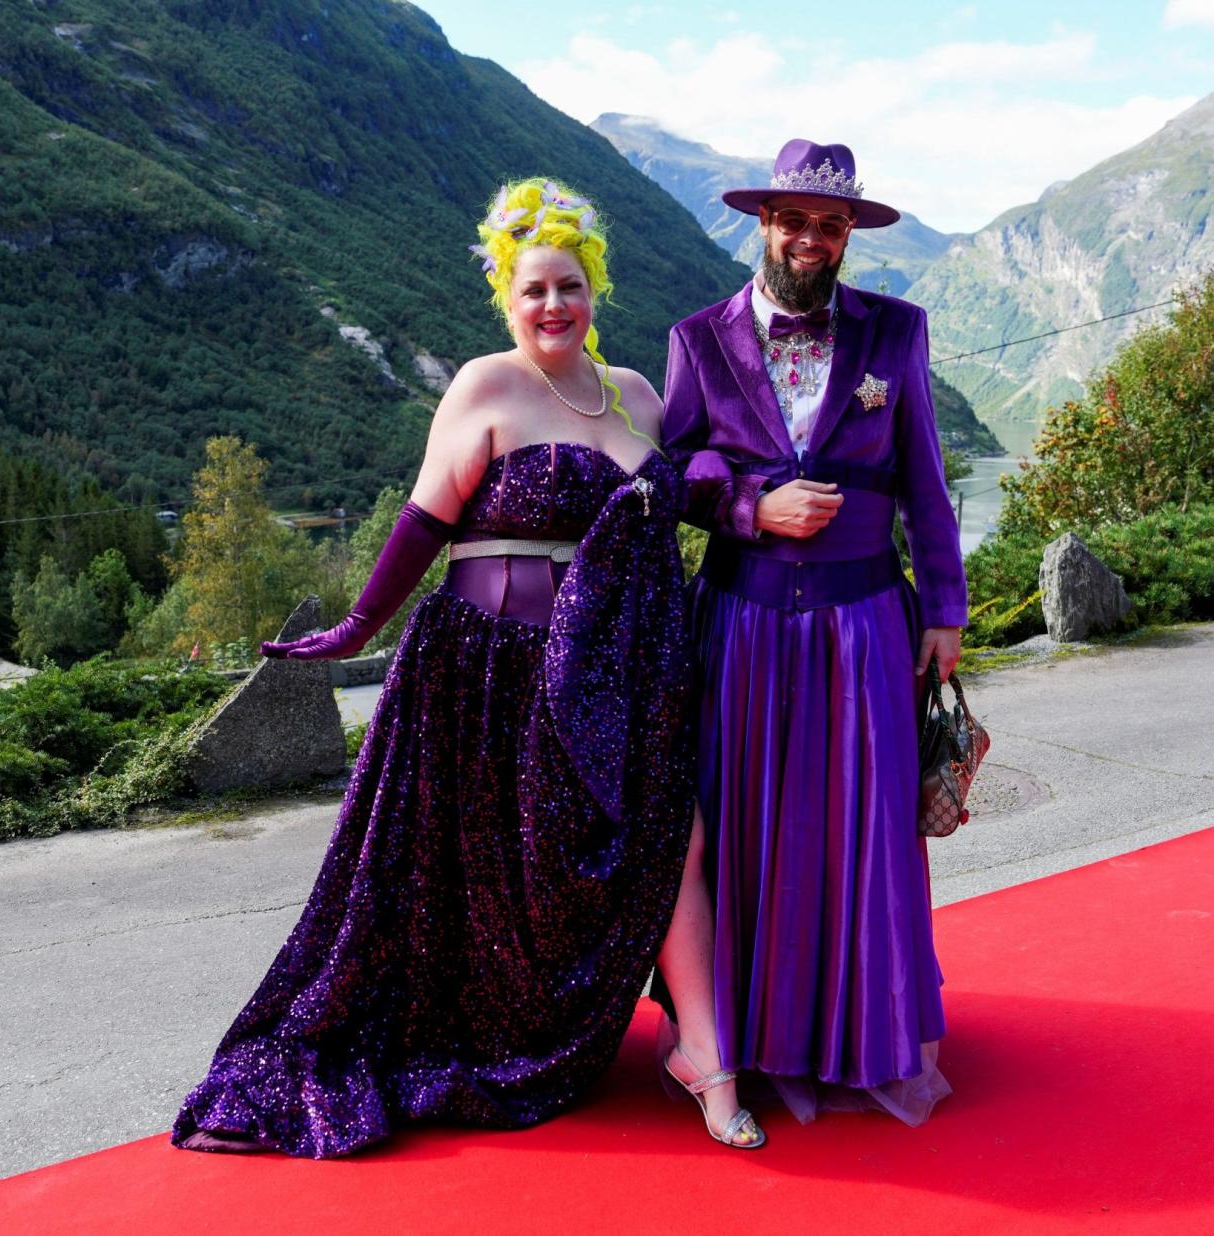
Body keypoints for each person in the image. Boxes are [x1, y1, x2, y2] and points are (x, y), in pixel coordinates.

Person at [172, 177, 763, 1157]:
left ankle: (707, 1057)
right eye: (533, 290)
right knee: (502, 870)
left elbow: (683, 516)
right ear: (507, 295)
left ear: (594, 288)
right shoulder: (487, 385)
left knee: (677, 838)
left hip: (621, 673)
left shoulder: (640, 399)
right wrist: (359, 622)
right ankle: (498, 1029)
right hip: (493, 672)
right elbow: (423, 518)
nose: (553, 307)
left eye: (569, 286)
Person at [660, 139, 968, 1125]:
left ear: (848, 237)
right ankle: (737, 1039)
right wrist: (752, 506)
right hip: (743, 621)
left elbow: (924, 477)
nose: (809, 239)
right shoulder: (698, 340)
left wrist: (949, 608)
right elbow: (669, 476)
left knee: (863, 825)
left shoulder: (898, 334)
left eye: (829, 225)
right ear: (764, 224)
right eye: (793, 219)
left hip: (871, 617)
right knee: (746, 828)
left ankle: (862, 1032)